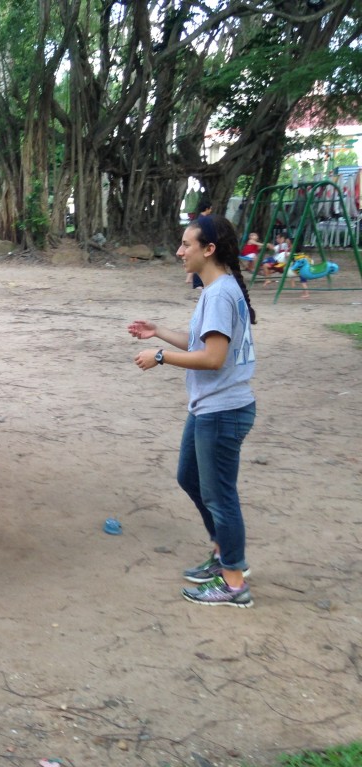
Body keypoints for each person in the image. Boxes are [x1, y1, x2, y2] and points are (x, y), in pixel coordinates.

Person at [128, 214, 257, 608]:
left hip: (222, 410)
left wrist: (160, 356)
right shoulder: (217, 289)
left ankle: (233, 583)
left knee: (220, 495)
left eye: (187, 244)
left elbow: (213, 358)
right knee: (190, 477)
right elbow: (200, 343)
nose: (180, 252)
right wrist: (159, 331)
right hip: (211, 408)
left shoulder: (218, 294)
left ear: (209, 249)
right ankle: (223, 553)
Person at [186, 202, 212, 288]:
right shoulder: (204, 220)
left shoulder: (197, 220)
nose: (211, 210)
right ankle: (197, 283)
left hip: (198, 242)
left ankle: (194, 281)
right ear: (207, 209)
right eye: (210, 208)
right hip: (201, 243)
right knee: (200, 262)